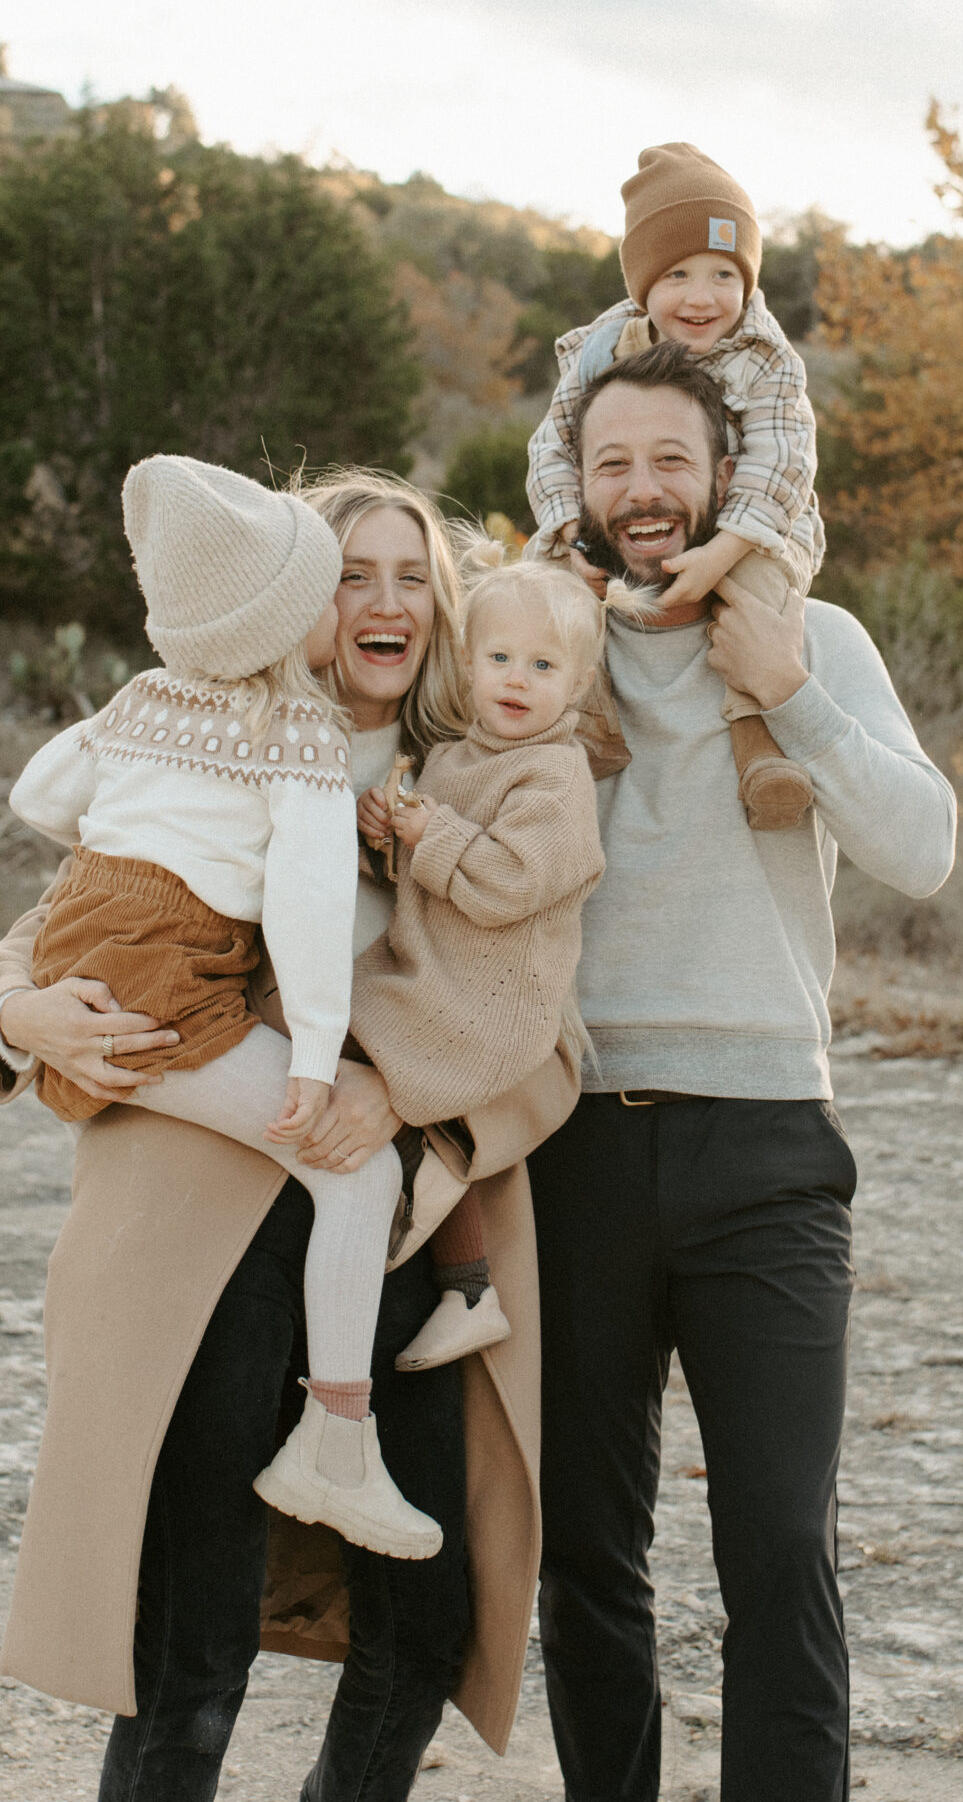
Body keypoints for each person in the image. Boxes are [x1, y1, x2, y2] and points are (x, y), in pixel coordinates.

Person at [0, 470, 578, 1802]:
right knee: (192, 1634)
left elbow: (549, 1030)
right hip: (211, 1238)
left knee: (420, 1614)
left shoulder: (474, 781)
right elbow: (70, 916)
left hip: (403, 1240)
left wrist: (404, 1089)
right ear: (299, 603)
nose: (382, 602)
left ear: (444, 602)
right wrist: (20, 1015)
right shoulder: (213, 733)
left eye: (410, 574)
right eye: (348, 575)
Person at [528, 342, 956, 1802]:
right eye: (610, 466)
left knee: (777, 1542)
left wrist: (793, 695)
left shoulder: (809, 636)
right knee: (585, 1547)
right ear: (571, 487)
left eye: (667, 462)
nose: (640, 493)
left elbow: (922, 848)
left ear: (723, 473)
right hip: (568, 1145)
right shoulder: (527, 638)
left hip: (767, 1145)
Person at [4, 453, 438, 1557]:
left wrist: (127, 853)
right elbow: (306, 900)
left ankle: (331, 1447)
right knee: (359, 1171)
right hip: (172, 989)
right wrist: (316, 1059)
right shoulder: (298, 735)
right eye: (331, 589)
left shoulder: (143, 699)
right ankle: (336, 1443)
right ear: (287, 618)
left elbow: (39, 794)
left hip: (87, 933)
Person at [351, 552, 607, 1372]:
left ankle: (448, 1263)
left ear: (577, 688)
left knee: (393, 1085)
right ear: (466, 666)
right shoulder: (456, 757)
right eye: (499, 659)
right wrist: (387, 836)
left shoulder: (556, 776)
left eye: (542, 666)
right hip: (434, 969)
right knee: (335, 1023)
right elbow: (423, 879)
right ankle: (464, 1289)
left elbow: (507, 885)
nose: (517, 680)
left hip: (493, 997)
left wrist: (432, 835)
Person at [525, 140, 823, 829]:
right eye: (678, 274)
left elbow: (782, 457)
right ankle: (582, 711)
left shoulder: (765, 355)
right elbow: (552, 440)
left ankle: (758, 745)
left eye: (724, 273)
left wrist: (723, 553)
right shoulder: (604, 347)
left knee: (758, 607)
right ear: (642, 287)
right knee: (545, 585)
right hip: (624, 522)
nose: (701, 297)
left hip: (754, 520)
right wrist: (568, 529)